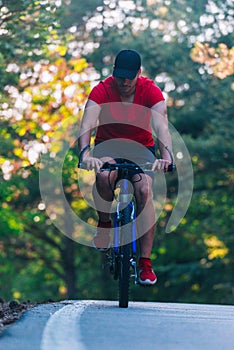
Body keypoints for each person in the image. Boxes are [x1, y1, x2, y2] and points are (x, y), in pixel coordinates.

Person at [78, 49, 173, 285]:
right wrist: (85, 153)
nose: (125, 81)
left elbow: (162, 127)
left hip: (141, 149)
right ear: (114, 74)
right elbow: (87, 124)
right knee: (103, 178)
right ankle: (104, 225)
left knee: (143, 192)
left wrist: (166, 156)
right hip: (108, 147)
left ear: (139, 74)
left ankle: (145, 263)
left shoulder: (150, 90)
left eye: (130, 76)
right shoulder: (102, 89)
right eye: (120, 76)